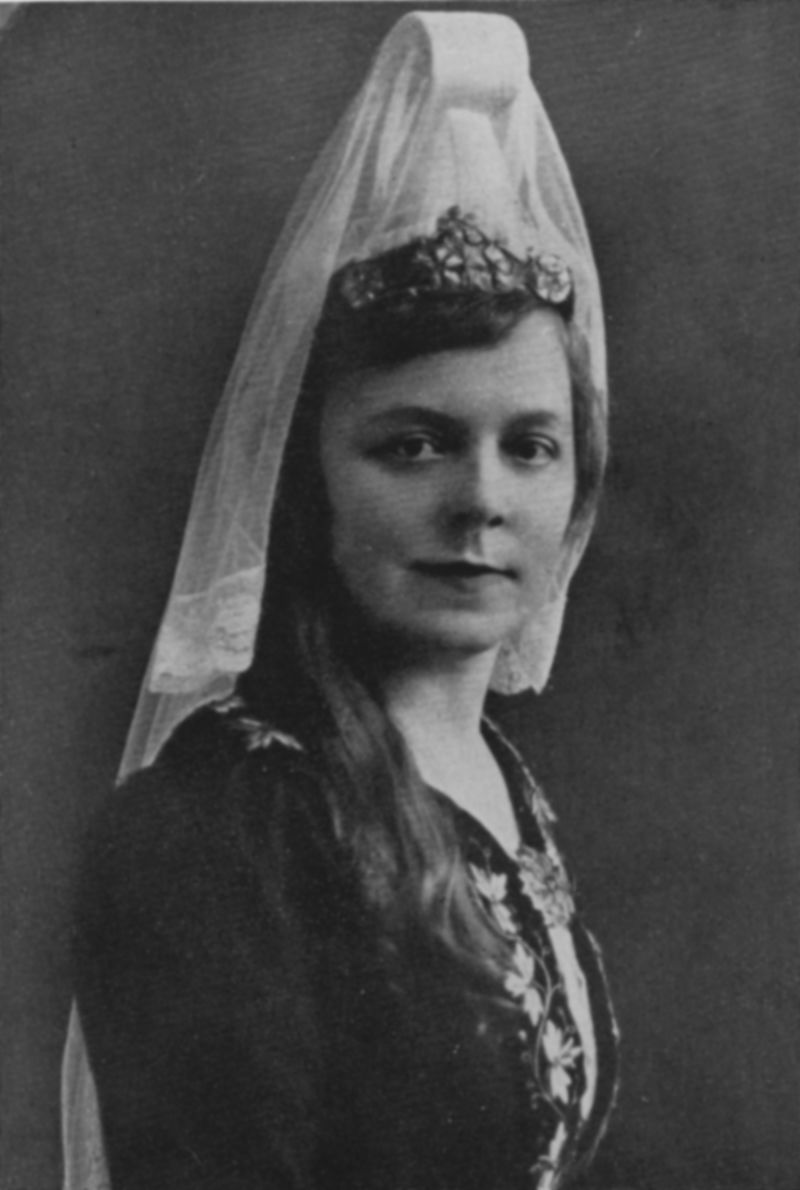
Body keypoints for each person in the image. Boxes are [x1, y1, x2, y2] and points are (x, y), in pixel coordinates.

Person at [65, 12, 618, 1190]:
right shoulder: (217, 827)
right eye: (412, 444)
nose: (480, 501)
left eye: (529, 446)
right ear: (306, 478)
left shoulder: (499, 778)